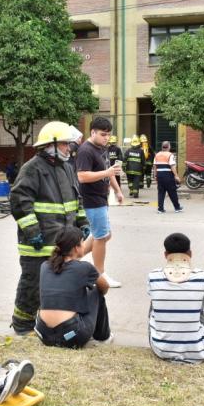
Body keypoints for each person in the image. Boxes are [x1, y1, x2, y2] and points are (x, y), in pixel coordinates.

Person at [9, 121, 91, 335]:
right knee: (32, 284)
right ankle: (21, 325)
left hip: (60, 243)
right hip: (36, 243)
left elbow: (77, 199)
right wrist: (33, 232)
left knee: (56, 287)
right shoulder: (32, 168)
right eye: (64, 144)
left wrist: (82, 223)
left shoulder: (66, 167)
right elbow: (19, 201)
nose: (68, 148)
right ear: (51, 145)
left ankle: (44, 324)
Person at [34, 227, 111, 348]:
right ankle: (103, 337)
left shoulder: (45, 265)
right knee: (96, 291)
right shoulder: (85, 268)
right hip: (71, 336)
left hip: (43, 334)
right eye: (82, 242)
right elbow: (105, 286)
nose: (84, 245)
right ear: (76, 247)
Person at [147, 233, 204, 364]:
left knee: (154, 302)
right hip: (198, 351)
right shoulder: (202, 276)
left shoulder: (152, 276)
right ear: (190, 253)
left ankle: (166, 339)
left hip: (161, 349)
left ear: (165, 255)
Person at [76, 116, 124, 288]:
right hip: (91, 200)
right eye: (103, 134)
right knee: (101, 236)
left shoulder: (102, 149)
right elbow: (82, 176)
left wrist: (118, 191)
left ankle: (73, 258)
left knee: (104, 235)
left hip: (102, 199)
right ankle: (100, 275)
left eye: (108, 135)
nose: (106, 138)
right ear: (93, 132)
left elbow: (108, 172)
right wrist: (107, 173)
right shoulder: (86, 150)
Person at [153, 140, 182, 214]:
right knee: (172, 192)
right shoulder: (170, 155)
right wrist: (176, 176)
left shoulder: (157, 154)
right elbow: (172, 166)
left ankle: (160, 209)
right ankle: (177, 208)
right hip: (168, 175)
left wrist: (155, 176)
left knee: (161, 192)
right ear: (169, 147)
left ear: (162, 147)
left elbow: (155, 166)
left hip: (160, 175)